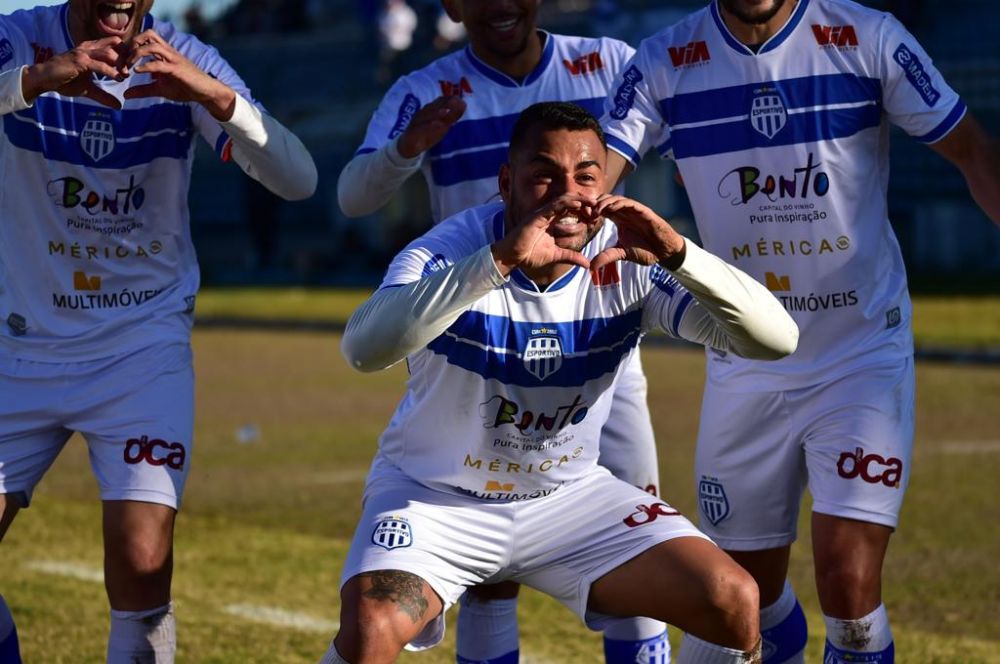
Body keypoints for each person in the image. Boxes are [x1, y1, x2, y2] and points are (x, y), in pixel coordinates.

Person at [324, 101, 798, 664]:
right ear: (507, 182)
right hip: (432, 497)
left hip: (567, 499)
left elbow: (775, 340)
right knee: (370, 630)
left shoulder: (631, 258)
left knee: (731, 598)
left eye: (586, 176)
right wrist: (498, 261)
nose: (567, 192)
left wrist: (679, 253)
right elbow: (363, 349)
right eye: (544, 173)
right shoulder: (448, 251)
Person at [599, 0, 1000, 662]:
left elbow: (973, 149)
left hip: (858, 353)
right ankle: (781, 639)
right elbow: (596, 169)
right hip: (745, 357)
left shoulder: (867, 37)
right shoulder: (665, 61)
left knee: (847, 582)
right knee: (743, 598)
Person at [337, 2, 675, 660]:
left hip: (595, 333)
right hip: (476, 348)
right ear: (453, 7)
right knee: (488, 571)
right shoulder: (423, 90)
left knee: (637, 547)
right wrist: (407, 151)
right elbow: (354, 196)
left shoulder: (606, 63)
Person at [0, 1, 317, 661]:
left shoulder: (181, 55)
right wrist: (36, 79)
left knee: (142, 558)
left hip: (139, 347)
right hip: (19, 347)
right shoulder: (15, 38)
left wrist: (215, 97)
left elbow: (298, 179)